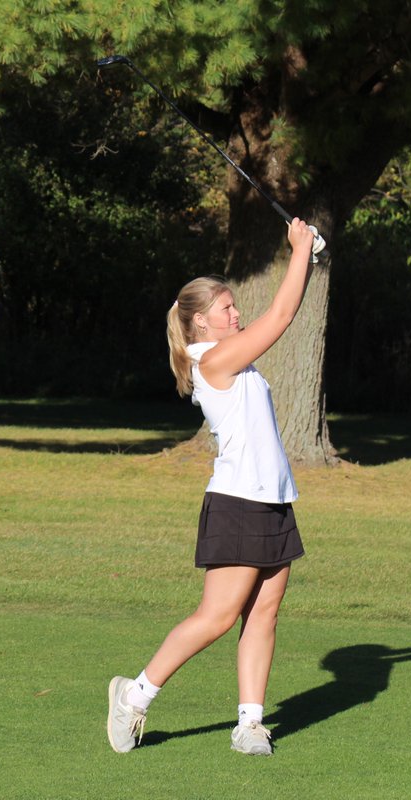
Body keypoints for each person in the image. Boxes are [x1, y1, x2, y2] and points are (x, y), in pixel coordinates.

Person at [106, 218, 317, 757]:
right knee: (218, 617)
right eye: (227, 308)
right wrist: (299, 250)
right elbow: (282, 315)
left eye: (235, 306)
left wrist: (307, 258)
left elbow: (278, 312)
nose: (236, 313)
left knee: (264, 612)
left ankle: (250, 725)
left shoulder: (235, 356)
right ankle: (134, 694)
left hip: (273, 499)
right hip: (238, 503)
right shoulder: (215, 361)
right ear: (200, 321)